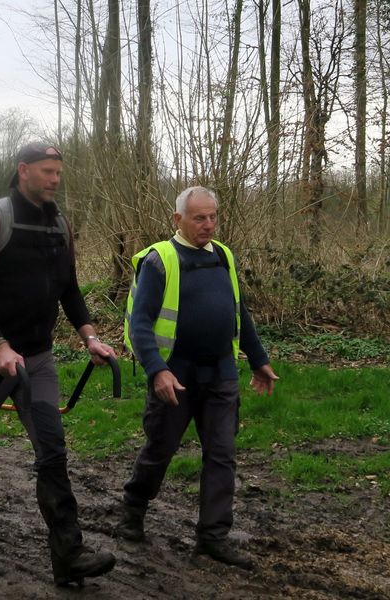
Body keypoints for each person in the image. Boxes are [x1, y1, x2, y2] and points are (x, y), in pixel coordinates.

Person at [0, 142, 117, 586]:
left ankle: (69, 554)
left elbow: (70, 290)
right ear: (23, 171)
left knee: (52, 448)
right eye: (47, 172)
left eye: (58, 172)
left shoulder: (59, 224)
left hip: (37, 356)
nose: (55, 179)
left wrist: (90, 337)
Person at [117, 185, 279, 569]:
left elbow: (239, 311)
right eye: (199, 218)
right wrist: (157, 371)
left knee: (222, 454)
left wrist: (258, 359)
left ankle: (213, 537)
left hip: (221, 371)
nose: (208, 225)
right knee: (160, 450)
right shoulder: (160, 261)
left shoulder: (223, 256)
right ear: (178, 220)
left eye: (213, 217)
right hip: (176, 376)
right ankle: (134, 509)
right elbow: (140, 324)